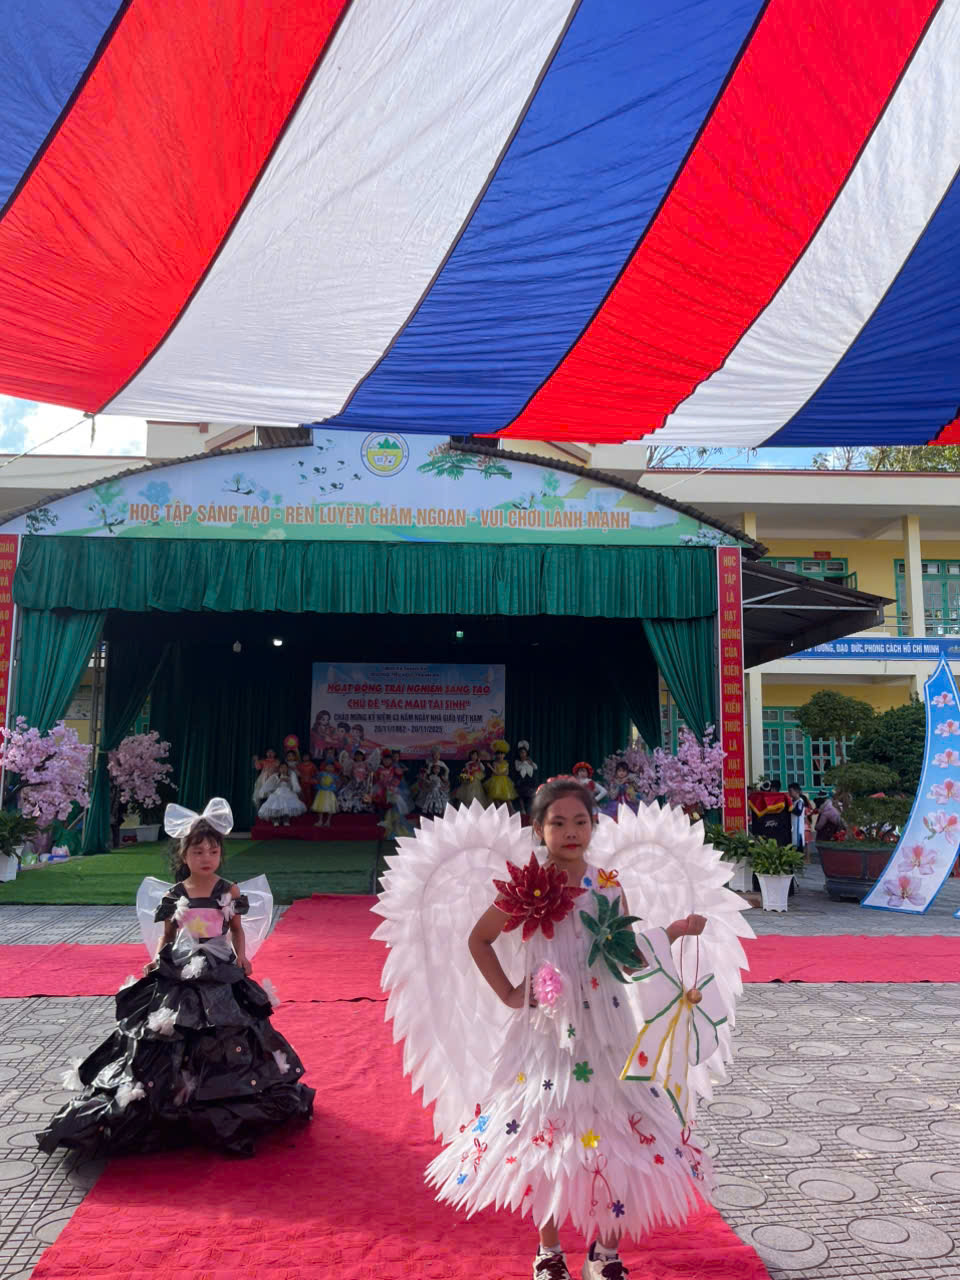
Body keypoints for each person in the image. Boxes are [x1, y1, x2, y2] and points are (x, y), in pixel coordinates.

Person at [380, 778, 714, 1280]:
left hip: (608, 1029)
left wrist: (673, 933)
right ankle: (549, 1251)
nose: (570, 832)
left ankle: (605, 1252)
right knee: (547, 1129)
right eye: (558, 822)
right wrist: (510, 992)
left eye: (580, 821)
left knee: (617, 1130)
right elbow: (479, 939)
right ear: (538, 828)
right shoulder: (525, 887)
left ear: (594, 825)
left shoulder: (608, 884)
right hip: (548, 1032)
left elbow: (626, 955)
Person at [36, 800, 314, 1158]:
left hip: (219, 963)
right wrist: (157, 959)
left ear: (221, 854)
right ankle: (174, 1091)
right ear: (184, 855)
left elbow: (236, 929)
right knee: (174, 1026)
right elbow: (167, 936)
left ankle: (223, 1090)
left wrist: (242, 957)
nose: (206, 858)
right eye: (198, 852)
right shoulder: (175, 894)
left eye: (213, 851)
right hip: (182, 964)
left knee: (229, 1024)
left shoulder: (228, 891)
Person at [485, 738, 519, 810]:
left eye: (502, 754)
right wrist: (491, 767)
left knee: (507, 799)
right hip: (496, 782)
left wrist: (493, 769)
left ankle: (512, 811)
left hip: (504, 782)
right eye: (498, 754)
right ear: (496, 755)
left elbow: (506, 773)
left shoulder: (506, 763)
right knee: (496, 799)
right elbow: (495, 773)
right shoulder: (495, 763)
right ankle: (499, 811)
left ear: (504, 755)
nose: (500, 755)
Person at [513, 740, 539, 815]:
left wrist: (530, 762)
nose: (523, 754)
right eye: (521, 753)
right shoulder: (517, 761)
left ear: (526, 753)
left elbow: (535, 767)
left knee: (531, 795)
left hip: (529, 780)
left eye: (524, 752)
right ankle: (522, 809)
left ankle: (530, 810)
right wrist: (523, 762)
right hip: (521, 780)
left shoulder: (529, 760)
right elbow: (517, 768)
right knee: (520, 795)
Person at [787, 782, 811, 851]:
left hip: (798, 829)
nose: (789, 793)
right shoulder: (793, 802)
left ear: (796, 791)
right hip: (793, 827)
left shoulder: (800, 801)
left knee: (799, 849)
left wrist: (790, 807)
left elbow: (798, 812)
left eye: (791, 791)